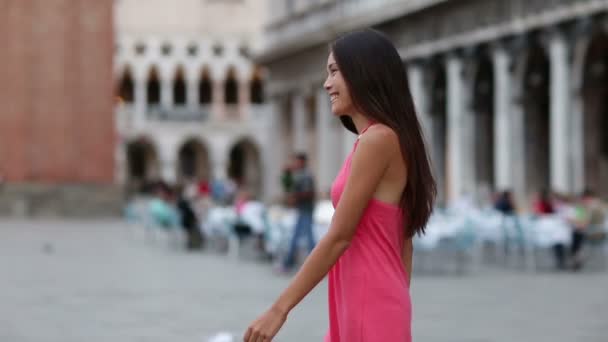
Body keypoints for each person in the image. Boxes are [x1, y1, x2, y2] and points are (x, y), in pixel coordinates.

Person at [244, 29, 436, 342]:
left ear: (363, 72)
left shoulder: (379, 140)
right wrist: (395, 299)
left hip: (369, 301)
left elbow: (339, 236)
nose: (326, 83)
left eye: (334, 71)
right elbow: (404, 242)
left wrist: (279, 310)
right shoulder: (379, 140)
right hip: (365, 299)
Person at [280, 153, 316, 272]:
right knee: (301, 238)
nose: (295, 164)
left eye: (297, 161)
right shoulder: (299, 175)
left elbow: (308, 193)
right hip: (302, 209)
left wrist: (295, 197)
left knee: (305, 238)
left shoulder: (306, 176)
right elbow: (287, 186)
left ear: (302, 162)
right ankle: (290, 262)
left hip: (306, 210)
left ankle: (313, 264)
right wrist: (287, 174)